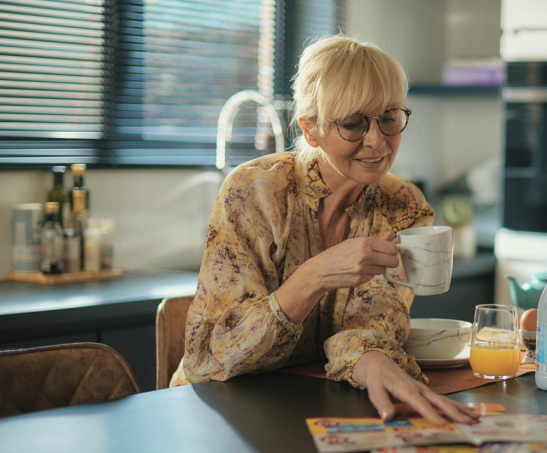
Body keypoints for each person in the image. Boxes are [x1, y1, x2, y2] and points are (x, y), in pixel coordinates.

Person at [170, 35, 479, 427]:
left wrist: (375, 362)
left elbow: (368, 326)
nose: (377, 141)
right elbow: (215, 356)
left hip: (303, 412)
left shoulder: (403, 205)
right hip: (210, 414)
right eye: (352, 123)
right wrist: (315, 276)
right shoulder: (254, 191)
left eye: (388, 118)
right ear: (311, 129)